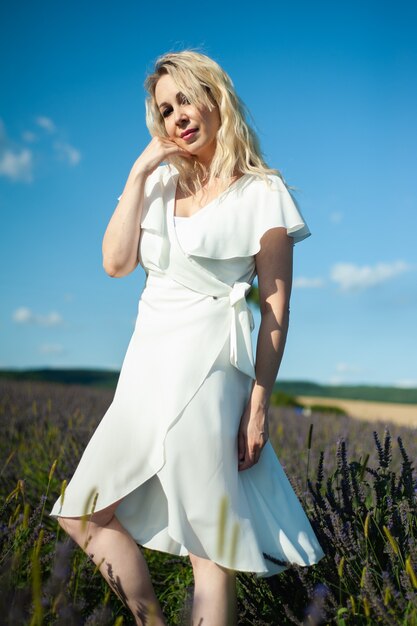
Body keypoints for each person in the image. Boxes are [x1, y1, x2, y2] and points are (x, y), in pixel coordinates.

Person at [50, 50, 325, 626]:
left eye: (185, 99)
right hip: (146, 363)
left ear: (214, 96)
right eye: (164, 108)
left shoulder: (261, 191)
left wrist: (258, 403)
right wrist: (137, 172)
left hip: (212, 364)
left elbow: (276, 307)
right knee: (83, 514)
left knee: (209, 540)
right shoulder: (154, 186)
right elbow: (115, 263)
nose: (177, 115)